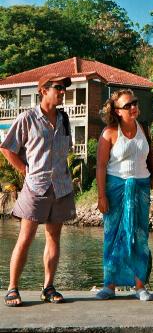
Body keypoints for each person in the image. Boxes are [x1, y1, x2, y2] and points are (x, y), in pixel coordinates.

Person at [0, 73, 76, 306]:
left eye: (64, 88)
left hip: (61, 187)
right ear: (43, 90)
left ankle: (48, 287)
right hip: (36, 186)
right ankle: (13, 288)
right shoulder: (27, 118)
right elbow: (7, 147)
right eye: (58, 88)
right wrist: (25, 169)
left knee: (54, 237)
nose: (62, 91)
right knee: (25, 237)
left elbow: (65, 150)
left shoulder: (64, 119)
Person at [96, 89, 153, 301]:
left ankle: (140, 285)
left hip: (140, 188)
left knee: (139, 236)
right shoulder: (109, 133)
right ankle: (109, 285)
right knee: (113, 237)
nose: (133, 107)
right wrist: (101, 196)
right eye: (128, 105)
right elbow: (101, 166)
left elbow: (150, 153)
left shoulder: (143, 128)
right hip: (115, 188)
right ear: (117, 111)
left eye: (135, 102)